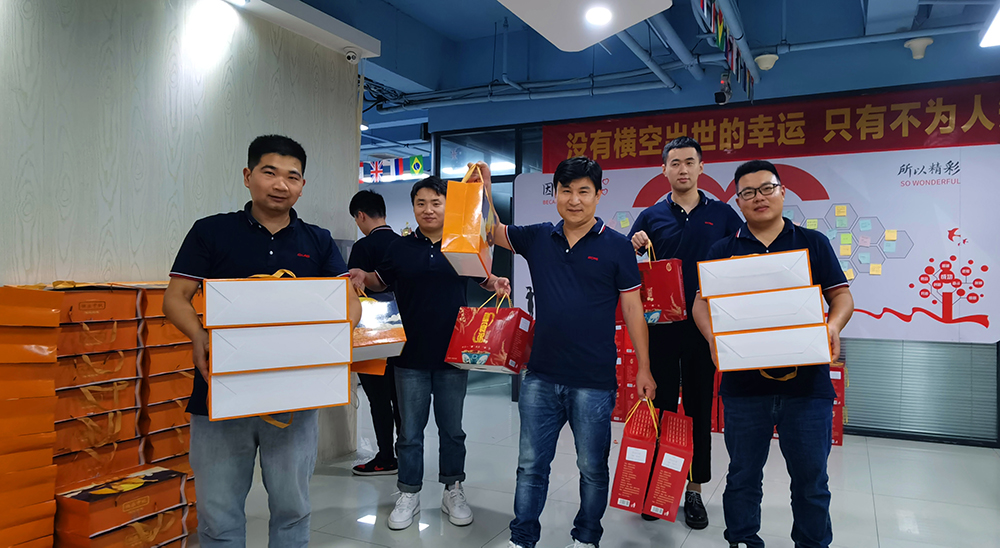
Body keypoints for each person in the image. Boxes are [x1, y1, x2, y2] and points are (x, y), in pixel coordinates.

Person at [163, 135, 362, 547]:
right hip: (219, 391)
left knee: (292, 510)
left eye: (292, 176)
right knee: (218, 515)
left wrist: (334, 337)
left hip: (294, 398)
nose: (280, 184)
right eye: (269, 172)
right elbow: (175, 298)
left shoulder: (318, 241)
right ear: (247, 176)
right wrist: (198, 335)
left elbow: (349, 305)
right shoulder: (211, 231)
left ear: (302, 186)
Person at [479, 157, 656, 548]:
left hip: (594, 381)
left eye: (583, 191)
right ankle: (522, 537)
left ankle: (587, 537)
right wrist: (485, 190)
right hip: (541, 376)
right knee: (530, 467)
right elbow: (491, 231)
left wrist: (644, 367)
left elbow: (633, 310)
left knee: (592, 469)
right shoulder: (538, 237)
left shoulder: (617, 246)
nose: (574, 200)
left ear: (598, 195)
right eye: (566, 191)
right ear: (556, 193)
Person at [691, 160, 854, 548]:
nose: (758, 198)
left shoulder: (813, 242)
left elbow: (841, 296)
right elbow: (701, 303)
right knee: (742, 476)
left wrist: (832, 326)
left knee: (811, 481)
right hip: (744, 389)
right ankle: (743, 540)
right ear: (738, 202)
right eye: (747, 192)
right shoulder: (723, 250)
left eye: (766, 188)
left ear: (782, 192)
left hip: (807, 388)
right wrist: (713, 337)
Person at [350, 176, 511, 531]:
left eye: (436, 203)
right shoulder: (401, 247)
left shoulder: (461, 243)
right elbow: (380, 279)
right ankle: (408, 492)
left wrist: (496, 281)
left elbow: (482, 277)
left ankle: (453, 489)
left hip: (454, 355)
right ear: (413, 207)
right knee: (410, 432)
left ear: (447, 207)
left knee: (452, 430)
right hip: (409, 356)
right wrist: (364, 275)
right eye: (420, 203)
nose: (428, 209)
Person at [627, 136, 743, 528]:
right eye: (675, 163)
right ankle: (657, 486)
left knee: (697, 408)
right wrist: (634, 244)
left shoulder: (723, 215)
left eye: (689, 162)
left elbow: (742, 257)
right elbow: (626, 261)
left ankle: (693, 490)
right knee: (660, 406)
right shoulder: (651, 216)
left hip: (703, 328)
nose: (682, 169)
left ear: (701, 167)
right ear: (664, 170)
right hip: (661, 328)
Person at [347, 189, 402, 476]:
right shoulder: (403, 244)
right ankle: (407, 453)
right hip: (404, 334)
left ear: (361, 215)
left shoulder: (363, 247)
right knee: (401, 398)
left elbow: (351, 292)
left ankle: (385, 457)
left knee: (378, 399)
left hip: (372, 335)